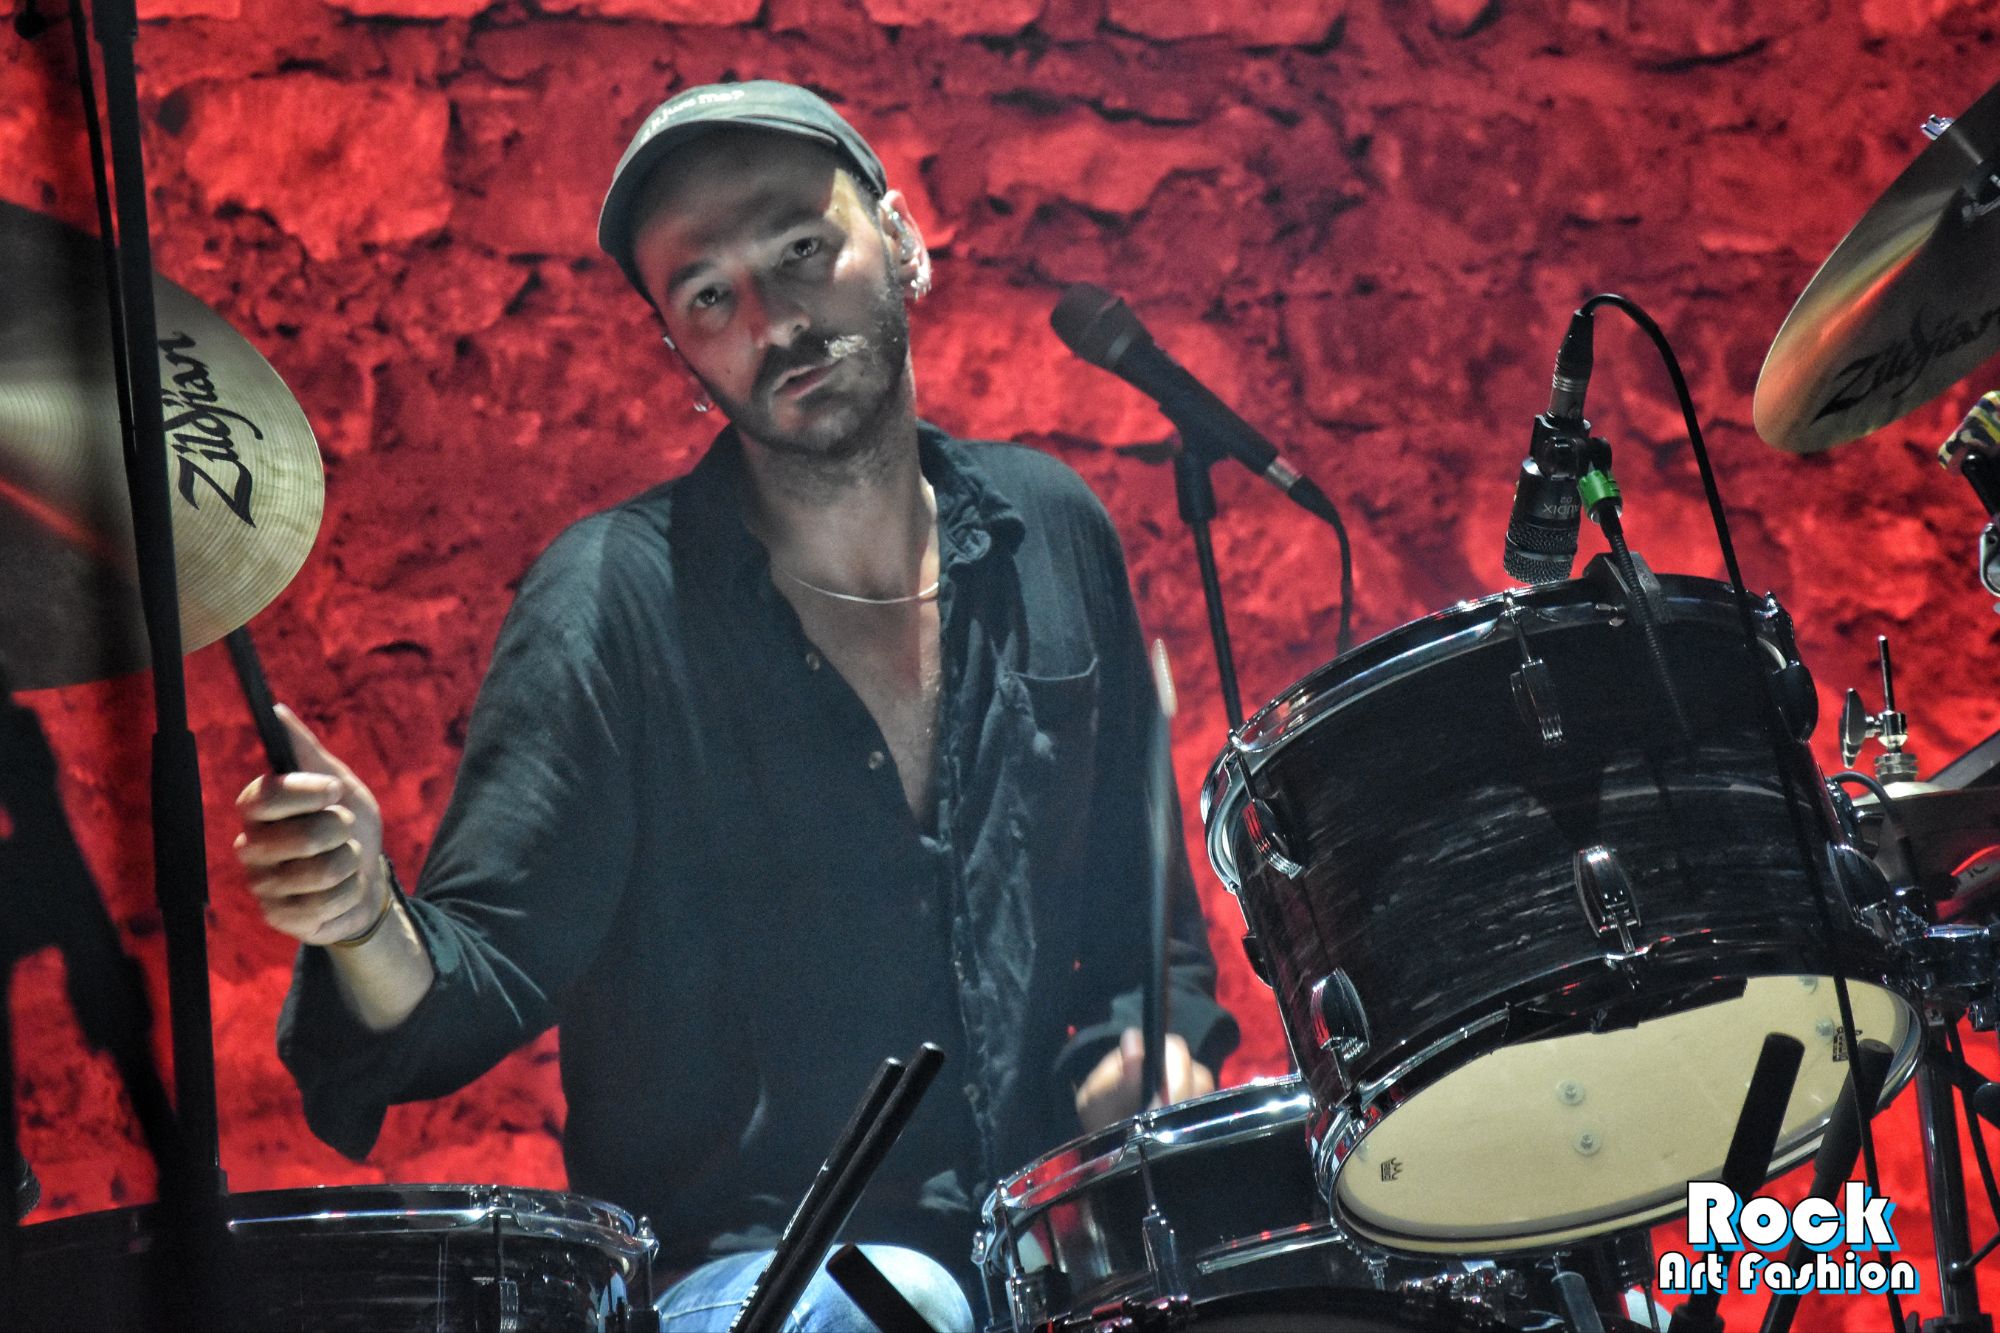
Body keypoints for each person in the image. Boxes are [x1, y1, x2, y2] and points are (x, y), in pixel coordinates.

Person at [233, 80, 1238, 1331]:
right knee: (897, 1302)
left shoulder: (1051, 531)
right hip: (738, 1276)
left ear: (901, 238)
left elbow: (1149, 937)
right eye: (709, 295)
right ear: (679, 349)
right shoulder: (615, 598)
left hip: (1033, 1251)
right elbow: (471, 982)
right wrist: (361, 915)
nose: (774, 322)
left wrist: (1148, 1053)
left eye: (802, 250)